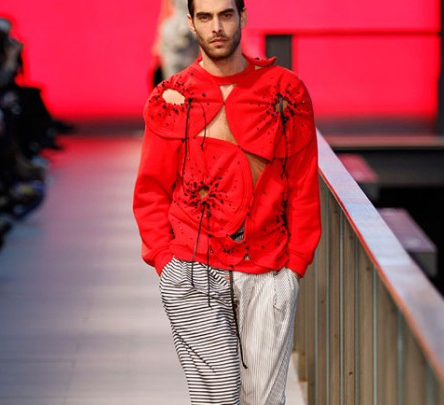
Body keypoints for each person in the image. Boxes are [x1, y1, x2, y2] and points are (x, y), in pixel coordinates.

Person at [133, 0, 321, 403]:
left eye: (226, 14)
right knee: (218, 397)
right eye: (205, 16)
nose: (216, 26)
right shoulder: (170, 97)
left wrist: (295, 266)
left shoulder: (285, 91)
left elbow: (302, 182)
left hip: (269, 268)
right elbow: (151, 189)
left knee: (263, 400)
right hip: (192, 268)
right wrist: (165, 261)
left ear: (243, 17)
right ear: (191, 23)